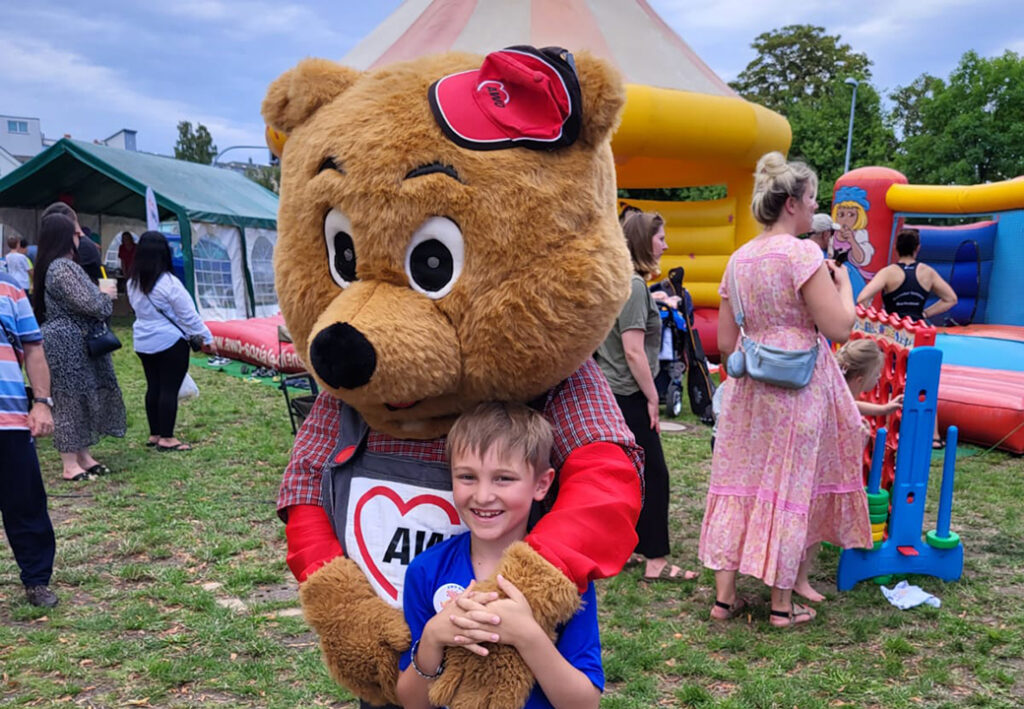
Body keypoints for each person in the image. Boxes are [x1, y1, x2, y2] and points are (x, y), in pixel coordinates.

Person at [699, 151, 871, 627]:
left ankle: (724, 600)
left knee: (739, 482)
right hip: (798, 388)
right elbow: (839, 328)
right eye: (812, 197)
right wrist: (844, 286)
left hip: (749, 389)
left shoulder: (738, 259)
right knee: (788, 488)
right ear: (792, 203)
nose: (816, 206)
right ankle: (780, 606)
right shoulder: (803, 255)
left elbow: (726, 342)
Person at [396, 402, 603, 709]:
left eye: (503, 478)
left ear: (541, 484)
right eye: (467, 477)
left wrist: (528, 636)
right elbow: (412, 702)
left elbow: (585, 704)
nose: (482, 496)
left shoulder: (562, 574)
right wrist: (432, 638)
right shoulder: (426, 571)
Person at [595, 210, 695, 583]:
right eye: (660, 238)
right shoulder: (634, 286)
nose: (665, 245)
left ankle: (631, 547)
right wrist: (654, 397)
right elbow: (634, 351)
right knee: (655, 475)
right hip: (630, 393)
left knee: (629, 475)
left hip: (613, 392)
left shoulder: (622, 281)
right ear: (643, 241)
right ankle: (656, 560)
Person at [32, 212, 125, 481]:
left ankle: (83, 456)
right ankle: (70, 464)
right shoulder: (62, 267)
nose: (81, 236)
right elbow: (92, 304)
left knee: (81, 397)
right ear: (64, 237)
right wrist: (105, 295)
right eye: (75, 233)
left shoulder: (58, 266)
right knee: (70, 399)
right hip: (67, 342)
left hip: (74, 341)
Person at [0, 270, 59, 607]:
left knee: (25, 503)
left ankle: (37, 579)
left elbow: (34, 348)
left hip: (9, 419)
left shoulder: (9, 287)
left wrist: (41, 403)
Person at [127, 231, 211, 451]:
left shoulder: (133, 282)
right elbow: (188, 315)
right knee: (169, 389)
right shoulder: (170, 283)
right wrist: (206, 337)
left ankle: (155, 433)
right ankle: (167, 438)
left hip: (143, 340)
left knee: (153, 386)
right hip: (170, 341)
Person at [856, 228, 958, 323]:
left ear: (896, 248)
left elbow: (862, 299)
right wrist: (925, 314)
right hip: (917, 327)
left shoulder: (888, 272)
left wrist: (874, 320)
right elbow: (951, 299)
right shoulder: (927, 272)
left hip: (893, 328)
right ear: (918, 248)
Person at [836, 339, 904, 418]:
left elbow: (852, 405)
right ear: (860, 380)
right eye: (876, 374)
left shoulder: (839, 392)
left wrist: (884, 409)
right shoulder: (836, 400)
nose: (879, 376)